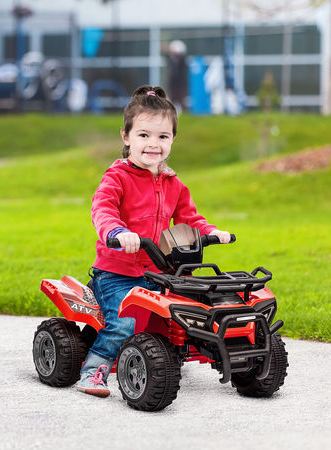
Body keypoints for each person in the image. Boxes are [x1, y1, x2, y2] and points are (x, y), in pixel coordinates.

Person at [76, 85, 231, 397]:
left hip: (158, 271)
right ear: (126, 137)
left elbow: (189, 220)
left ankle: (173, 355)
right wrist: (116, 233)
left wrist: (209, 232)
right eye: (144, 135)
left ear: (173, 139)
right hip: (116, 273)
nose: (153, 144)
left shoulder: (174, 183)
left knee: (190, 311)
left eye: (163, 137)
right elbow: (103, 209)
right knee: (124, 324)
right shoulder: (117, 177)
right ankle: (93, 371)